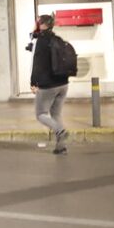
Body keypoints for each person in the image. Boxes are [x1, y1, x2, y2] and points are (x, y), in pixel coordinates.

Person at [28, 14, 70, 155]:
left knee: (41, 114)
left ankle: (60, 130)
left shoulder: (41, 41)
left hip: (49, 85)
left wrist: (33, 82)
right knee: (56, 114)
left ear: (43, 25)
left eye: (38, 22)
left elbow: (37, 64)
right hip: (63, 84)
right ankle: (61, 147)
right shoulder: (57, 39)